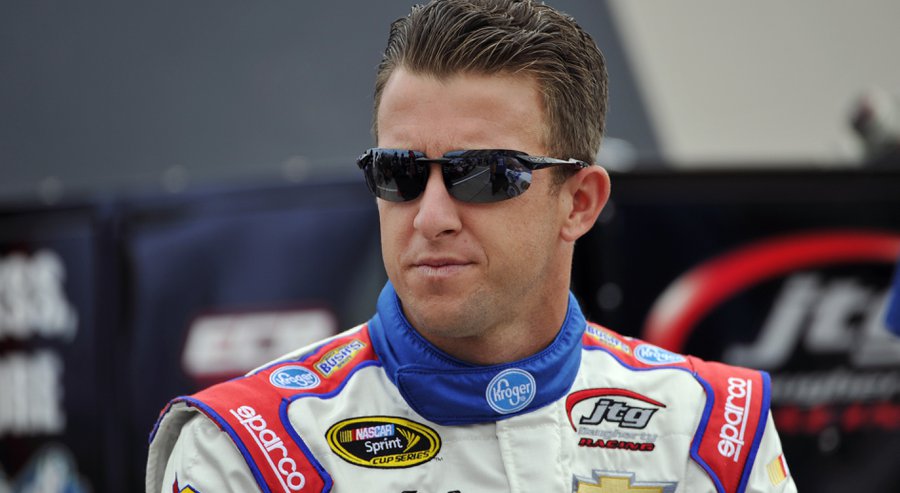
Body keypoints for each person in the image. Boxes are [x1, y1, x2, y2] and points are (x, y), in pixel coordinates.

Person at [146, 1, 797, 491]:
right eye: (398, 173)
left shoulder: (711, 434)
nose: (430, 216)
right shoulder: (248, 450)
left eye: (482, 174)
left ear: (579, 202)